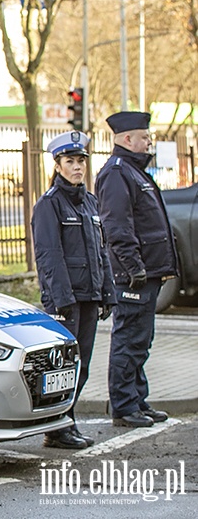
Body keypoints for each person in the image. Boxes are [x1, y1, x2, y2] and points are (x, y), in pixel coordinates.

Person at [32, 131, 116, 449]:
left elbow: (101, 252)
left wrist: (108, 293)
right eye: (70, 161)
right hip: (67, 301)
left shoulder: (90, 203)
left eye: (81, 161)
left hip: (90, 297)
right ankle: (57, 428)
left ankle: (66, 422)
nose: (77, 167)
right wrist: (62, 300)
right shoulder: (49, 205)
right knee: (63, 369)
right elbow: (49, 256)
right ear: (58, 165)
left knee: (82, 367)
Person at [95, 111, 178, 428]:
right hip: (133, 276)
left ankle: (137, 400)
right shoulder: (118, 173)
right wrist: (134, 268)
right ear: (127, 139)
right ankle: (124, 406)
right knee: (128, 341)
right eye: (144, 138)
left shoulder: (132, 171)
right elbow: (118, 228)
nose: (149, 143)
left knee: (140, 341)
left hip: (145, 273)